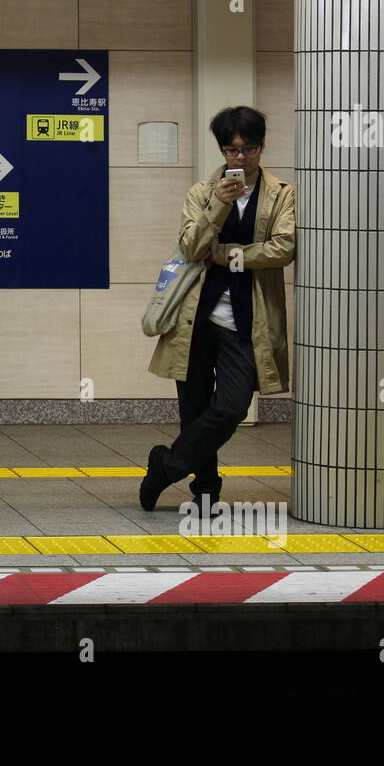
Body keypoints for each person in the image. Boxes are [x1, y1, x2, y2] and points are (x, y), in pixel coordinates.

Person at [140, 107, 296, 512]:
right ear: (222, 150)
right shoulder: (201, 192)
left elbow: (284, 248)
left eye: (248, 150)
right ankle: (206, 489)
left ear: (262, 146)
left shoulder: (282, 194)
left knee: (230, 407)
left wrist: (228, 255)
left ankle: (166, 466)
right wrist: (219, 207)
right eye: (231, 151)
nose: (239, 159)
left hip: (248, 318)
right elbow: (191, 247)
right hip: (194, 317)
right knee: (194, 408)